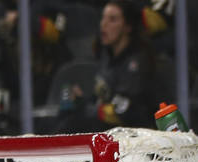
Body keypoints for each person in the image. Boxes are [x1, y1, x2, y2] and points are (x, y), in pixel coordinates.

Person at [56, 0, 158, 132]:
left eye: (112, 19)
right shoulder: (106, 55)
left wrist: (87, 108)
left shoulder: (137, 62)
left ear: (128, 27)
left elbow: (125, 112)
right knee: (65, 117)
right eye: (103, 18)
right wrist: (82, 101)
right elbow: (102, 97)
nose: (103, 24)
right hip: (107, 128)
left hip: (134, 134)